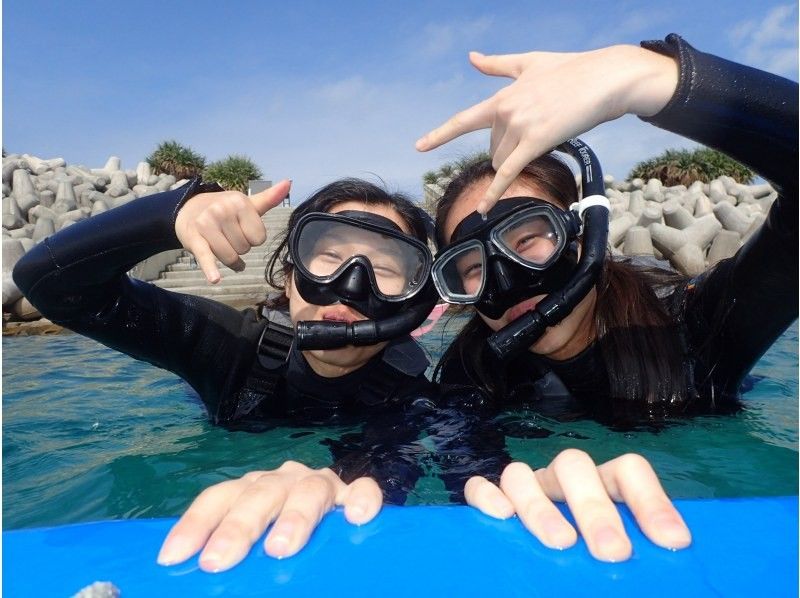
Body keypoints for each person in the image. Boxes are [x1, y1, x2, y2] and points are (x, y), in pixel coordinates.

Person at [415, 33, 797, 539]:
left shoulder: (696, 326)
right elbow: (459, 464)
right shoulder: (476, 369)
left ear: (585, 229)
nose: (504, 280)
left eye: (528, 238)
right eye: (470, 266)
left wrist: (642, 77)